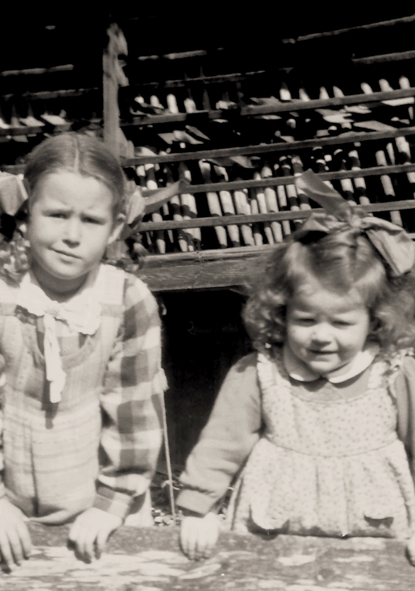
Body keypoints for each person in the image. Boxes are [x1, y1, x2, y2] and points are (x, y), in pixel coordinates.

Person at [177, 169, 415, 563]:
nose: (322, 336)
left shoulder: (393, 373)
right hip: (273, 538)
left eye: (341, 323)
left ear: (374, 320)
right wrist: (197, 510)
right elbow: (221, 445)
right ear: (283, 312)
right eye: (306, 320)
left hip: (375, 542)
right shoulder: (260, 373)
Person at [0, 133, 165, 569]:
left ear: (114, 227)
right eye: (56, 214)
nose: (71, 235)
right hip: (7, 518)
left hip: (100, 517)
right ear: (26, 215)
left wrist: (110, 505)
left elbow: (133, 418)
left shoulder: (127, 302)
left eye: (90, 221)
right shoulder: (2, 295)